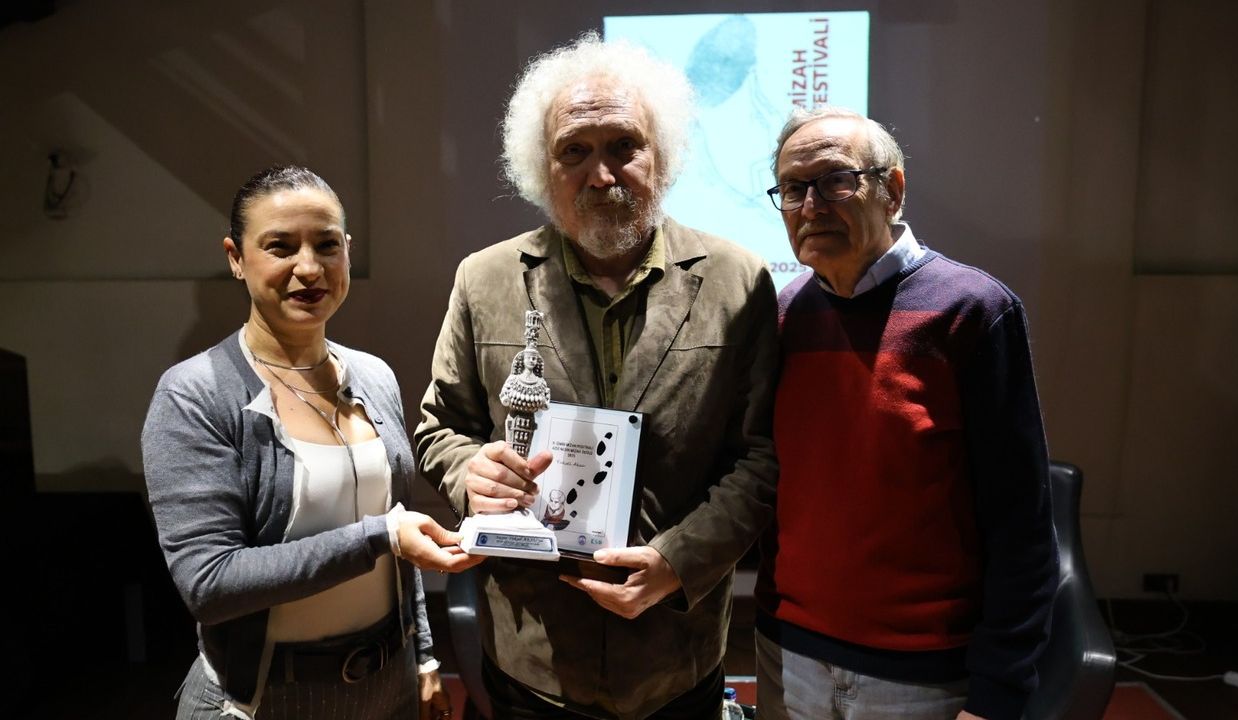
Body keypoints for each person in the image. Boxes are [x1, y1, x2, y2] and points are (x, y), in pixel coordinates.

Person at [416, 34, 778, 720]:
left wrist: (678, 562)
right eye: (574, 151)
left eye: (623, 146)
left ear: (663, 155)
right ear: (541, 168)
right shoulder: (483, 280)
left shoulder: (739, 281)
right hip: (532, 658)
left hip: (676, 660)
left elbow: (762, 455)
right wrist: (470, 474)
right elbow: (440, 426)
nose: (601, 175)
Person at [142, 165, 481, 720]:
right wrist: (379, 536)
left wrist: (423, 657)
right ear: (235, 257)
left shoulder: (373, 376)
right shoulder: (195, 393)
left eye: (326, 245)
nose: (308, 267)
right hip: (261, 700)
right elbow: (210, 583)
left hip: (389, 688)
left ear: (347, 250)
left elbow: (399, 540)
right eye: (280, 246)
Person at [754, 107, 1059, 720]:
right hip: (788, 657)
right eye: (792, 188)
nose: (811, 206)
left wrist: (999, 691)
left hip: (923, 675)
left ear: (891, 190)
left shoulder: (972, 310)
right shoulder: (783, 315)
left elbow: (1021, 522)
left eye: (835, 181)